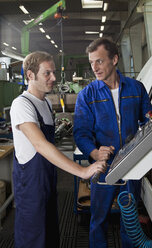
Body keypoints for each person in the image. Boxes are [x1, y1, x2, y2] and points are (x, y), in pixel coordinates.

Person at [10, 51, 106, 248]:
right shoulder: (21, 104)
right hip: (31, 189)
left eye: (53, 72)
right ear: (30, 75)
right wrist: (83, 171)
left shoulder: (45, 102)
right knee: (33, 240)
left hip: (47, 183)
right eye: (47, 73)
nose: (53, 78)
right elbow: (40, 144)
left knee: (51, 236)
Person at [73, 37, 152, 248]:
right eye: (91, 62)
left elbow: (149, 123)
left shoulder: (136, 88)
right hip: (103, 168)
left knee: (129, 219)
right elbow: (81, 133)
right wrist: (94, 152)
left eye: (99, 61)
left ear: (115, 59)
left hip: (131, 164)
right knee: (98, 219)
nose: (94, 68)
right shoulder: (87, 95)